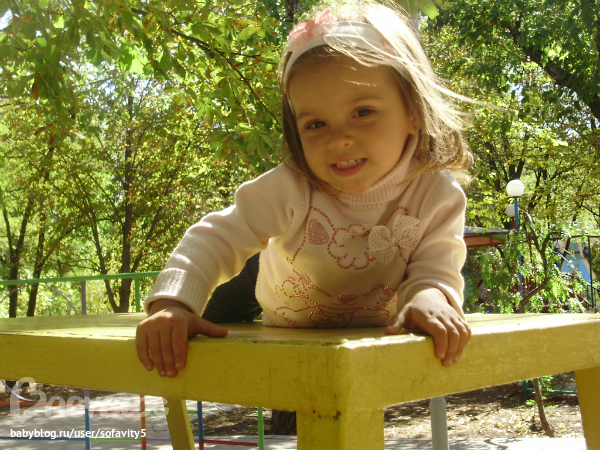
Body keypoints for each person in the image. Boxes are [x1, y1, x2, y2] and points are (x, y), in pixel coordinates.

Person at [136, 2, 474, 379]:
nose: (339, 139)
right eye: (316, 125)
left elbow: (435, 267)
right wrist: (173, 304)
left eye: (362, 112)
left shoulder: (436, 194)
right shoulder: (293, 185)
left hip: (364, 335)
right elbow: (216, 238)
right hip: (279, 313)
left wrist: (430, 296)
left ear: (413, 110)